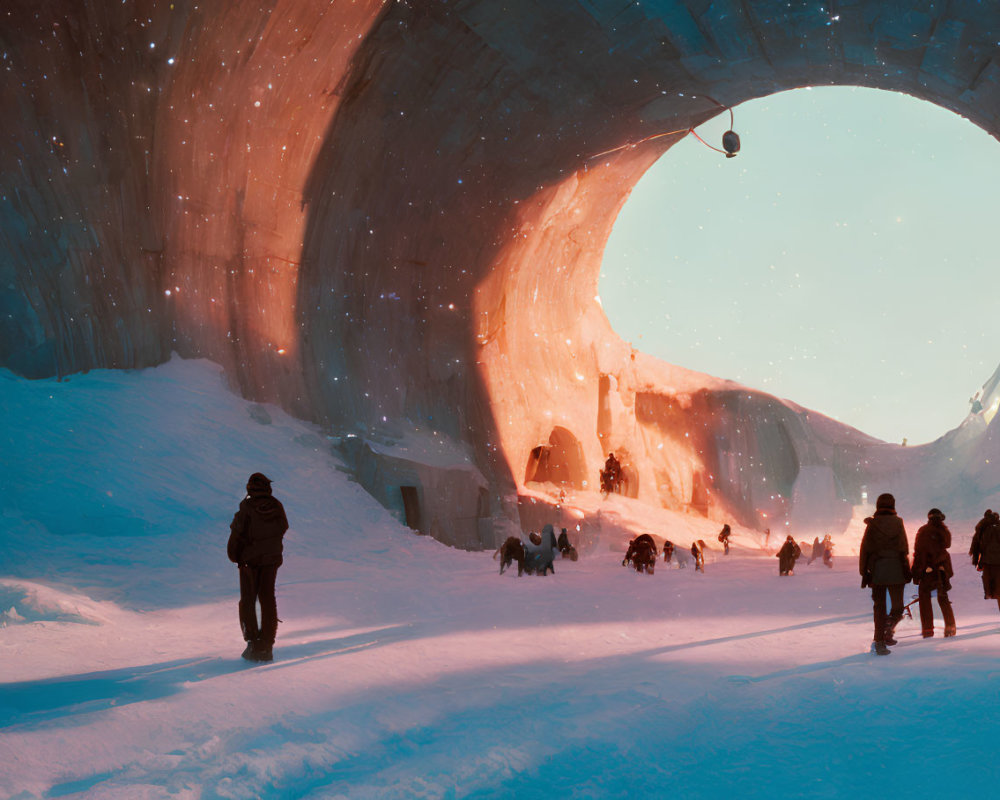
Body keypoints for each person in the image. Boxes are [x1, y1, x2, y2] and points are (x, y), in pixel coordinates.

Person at [227, 472, 289, 662]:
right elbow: (283, 527)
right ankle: (267, 645)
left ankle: (253, 643)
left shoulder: (246, 507)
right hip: (271, 560)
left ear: (249, 488)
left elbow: (236, 534)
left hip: (249, 562)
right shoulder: (277, 506)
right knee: (267, 599)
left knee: (248, 601)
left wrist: (235, 555)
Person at [859, 493, 910, 655]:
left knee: (879, 607)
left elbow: (865, 548)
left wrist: (864, 571)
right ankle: (888, 628)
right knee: (898, 606)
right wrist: (906, 568)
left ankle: (880, 640)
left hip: (877, 570)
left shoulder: (872, 525)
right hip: (896, 568)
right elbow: (904, 548)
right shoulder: (898, 522)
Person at [912, 508, 956, 638]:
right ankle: (950, 627)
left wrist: (917, 571)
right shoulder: (944, 531)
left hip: (927, 568)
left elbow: (919, 551)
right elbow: (947, 545)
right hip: (941, 567)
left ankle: (927, 630)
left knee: (924, 597)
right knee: (943, 597)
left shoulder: (923, 530)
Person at [971, 509, 1000, 612]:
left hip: (988, 563)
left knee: (994, 590)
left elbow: (978, 547)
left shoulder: (983, 529)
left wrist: (978, 562)